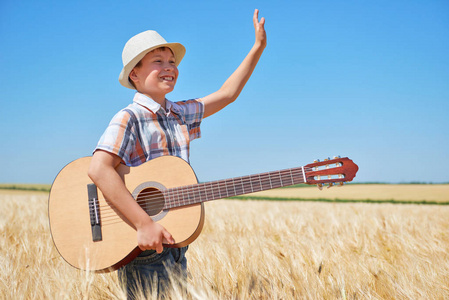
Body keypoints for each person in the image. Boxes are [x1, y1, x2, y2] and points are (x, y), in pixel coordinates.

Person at [88, 9, 266, 299]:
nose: (169, 66)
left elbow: (228, 93)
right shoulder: (129, 117)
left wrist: (257, 48)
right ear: (135, 74)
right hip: (142, 246)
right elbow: (99, 169)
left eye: (172, 61)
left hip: (175, 242)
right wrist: (144, 223)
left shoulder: (179, 113)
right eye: (158, 61)